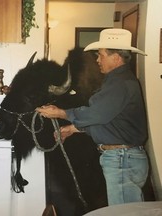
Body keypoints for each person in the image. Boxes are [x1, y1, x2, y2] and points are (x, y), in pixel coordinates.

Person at [36, 28, 149, 206]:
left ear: (116, 57)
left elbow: (96, 113)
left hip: (122, 159)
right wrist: (73, 128)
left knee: (123, 213)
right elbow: (111, 121)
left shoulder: (120, 84)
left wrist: (61, 113)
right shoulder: (117, 81)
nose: (97, 60)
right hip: (122, 157)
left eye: (101, 55)